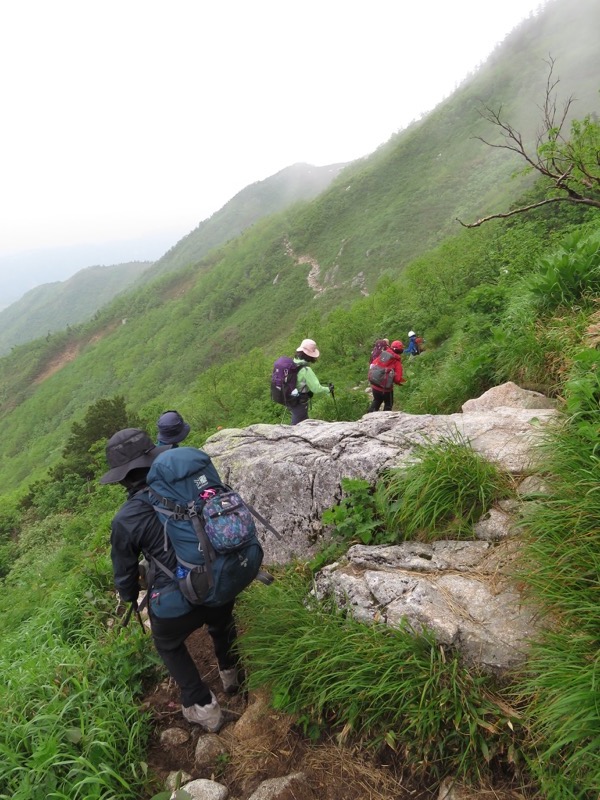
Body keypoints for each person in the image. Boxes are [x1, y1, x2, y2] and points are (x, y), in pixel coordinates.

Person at [100, 428, 239, 733]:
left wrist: (128, 595)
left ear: (122, 478)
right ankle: (230, 672)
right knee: (220, 620)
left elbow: (124, 574)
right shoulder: (186, 488)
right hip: (219, 582)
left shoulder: (126, 519)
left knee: (167, 642)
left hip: (178, 603)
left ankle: (204, 707)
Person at [291, 338, 333, 425]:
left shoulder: (294, 362)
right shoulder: (306, 370)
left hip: (290, 397)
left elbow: (299, 381)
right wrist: (328, 389)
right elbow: (316, 388)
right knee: (298, 423)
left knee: (300, 419)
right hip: (300, 400)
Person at [367, 340, 405, 412]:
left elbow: (373, 365)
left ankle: (368, 418)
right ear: (400, 351)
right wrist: (400, 382)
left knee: (376, 401)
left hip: (375, 385)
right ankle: (386, 421)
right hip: (386, 389)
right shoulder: (396, 361)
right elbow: (397, 379)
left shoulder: (382, 354)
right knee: (388, 404)